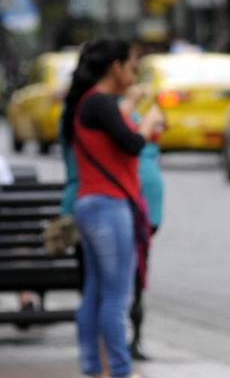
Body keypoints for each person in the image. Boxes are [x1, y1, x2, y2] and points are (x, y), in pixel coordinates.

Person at [60, 38, 163, 378]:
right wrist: (148, 124)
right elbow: (132, 144)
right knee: (115, 297)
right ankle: (120, 370)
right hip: (108, 206)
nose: (135, 72)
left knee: (95, 292)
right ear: (115, 67)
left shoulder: (91, 104)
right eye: (132, 65)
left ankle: (93, 367)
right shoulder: (99, 103)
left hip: (92, 206)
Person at [121, 83, 165, 361]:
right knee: (123, 277)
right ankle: (118, 345)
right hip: (128, 201)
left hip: (146, 207)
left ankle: (133, 339)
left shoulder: (140, 109)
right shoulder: (113, 109)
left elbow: (162, 123)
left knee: (137, 274)